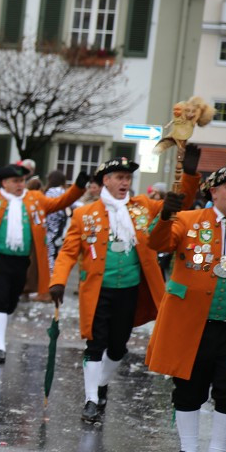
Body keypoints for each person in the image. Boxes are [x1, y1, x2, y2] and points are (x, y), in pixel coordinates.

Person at [49, 151, 200, 423]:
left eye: (128, 177)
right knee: (95, 345)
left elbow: (181, 206)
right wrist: (58, 280)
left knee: (118, 347)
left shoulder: (142, 206)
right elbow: (69, 252)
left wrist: (188, 176)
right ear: (105, 180)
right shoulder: (85, 214)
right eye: (119, 177)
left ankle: (102, 384)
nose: (124, 182)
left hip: (130, 290)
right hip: (97, 292)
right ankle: (91, 399)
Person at [146, 160, 226, 452]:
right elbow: (158, 242)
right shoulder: (189, 220)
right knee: (189, 389)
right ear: (214, 192)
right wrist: (164, 215)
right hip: (192, 323)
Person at [0, 164, 87, 362]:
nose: (20, 184)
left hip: (22, 262)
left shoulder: (35, 199)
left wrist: (78, 187)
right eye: (15, 181)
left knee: (12, 303)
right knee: (0, 299)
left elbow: (60, 202)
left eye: (22, 181)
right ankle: (0, 346)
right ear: (4, 183)